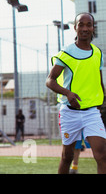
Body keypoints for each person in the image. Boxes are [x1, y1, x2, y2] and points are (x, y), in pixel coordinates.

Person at [46, 12, 106, 174]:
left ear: (93, 28)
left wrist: (101, 101)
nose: (85, 28)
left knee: (102, 155)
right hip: (69, 114)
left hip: (92, 113)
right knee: (67, 156)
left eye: (89, 25)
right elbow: (50, 80)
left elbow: (99, 82)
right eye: (81, 24)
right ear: (75, 28)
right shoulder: (66, 53)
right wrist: (68, 93)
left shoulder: (98, 53)